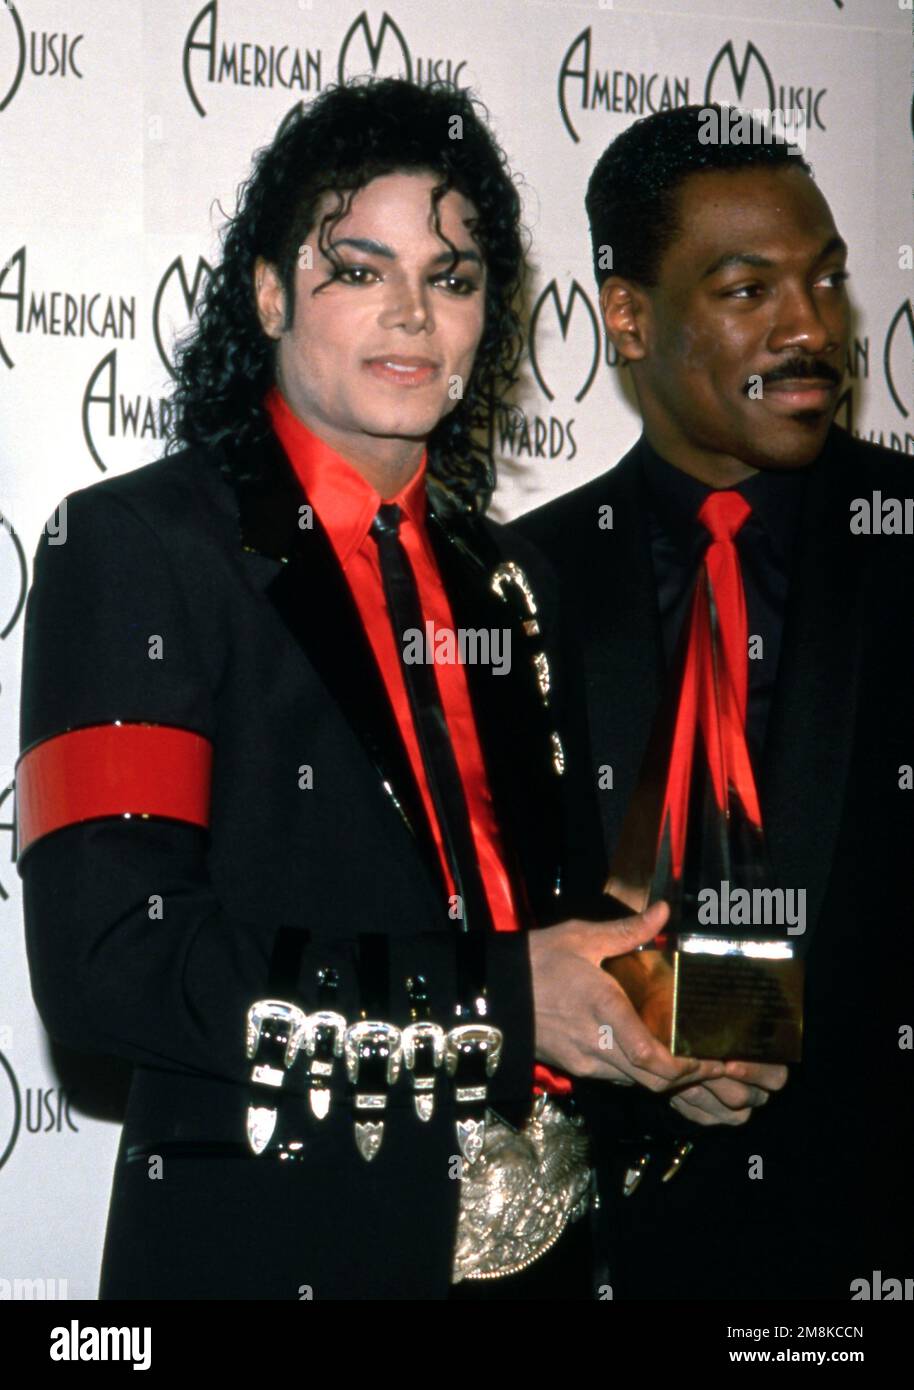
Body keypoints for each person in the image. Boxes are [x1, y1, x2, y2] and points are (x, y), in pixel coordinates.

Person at [15, 77, 693, 1301]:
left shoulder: (514, 580)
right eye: (357, 269)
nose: (411, 316)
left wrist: (661, 1037)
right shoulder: (134, 548)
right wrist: (496, 1002)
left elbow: (553, 927)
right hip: (278, 1251)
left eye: (451, 276)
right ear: (270, 292)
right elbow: (113, 960)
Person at [514, 104, 914, 1300]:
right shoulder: (521, 578)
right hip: (616, 1257)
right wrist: (651, 1029)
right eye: (748, 291)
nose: (811, 329)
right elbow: (505, 923)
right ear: (625, 316)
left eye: (827, 279)